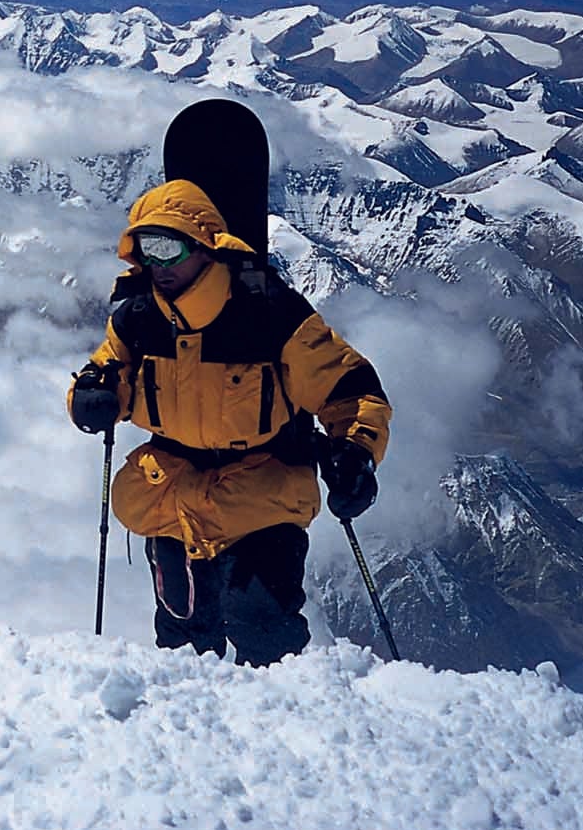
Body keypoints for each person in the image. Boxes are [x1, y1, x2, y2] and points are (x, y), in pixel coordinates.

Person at [66, 178, 391, 664]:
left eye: (167, 248)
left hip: (261, 495)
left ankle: (285, 724)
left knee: (264, 631)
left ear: (205, 248)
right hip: (171, 496)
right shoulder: (137, 319)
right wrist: (90, 396)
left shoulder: (271, 315)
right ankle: (192, 729)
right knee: (182, 638)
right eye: (145, 250)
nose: (155, 264)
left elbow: (349, 389)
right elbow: (108, 373)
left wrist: (357, 450)